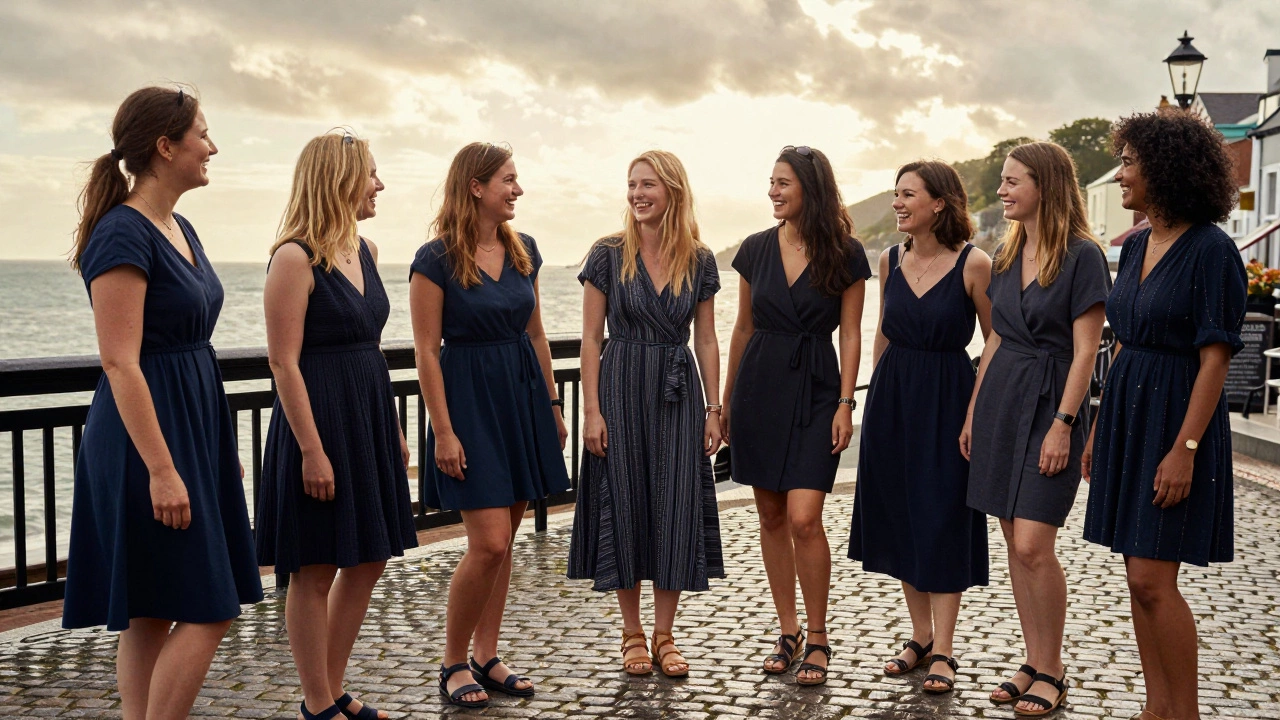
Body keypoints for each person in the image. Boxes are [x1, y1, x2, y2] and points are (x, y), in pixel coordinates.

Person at [62, 86, 263, 719]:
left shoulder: (180, 226)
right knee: (211, 605)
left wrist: (213, 451)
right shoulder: (122, 233)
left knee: (150, 613)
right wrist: (162, 468)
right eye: (202, 134)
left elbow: (192, 349)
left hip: (190, 426)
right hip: (144, 441)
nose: (212, 146)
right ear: (165, 146)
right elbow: (120, 361)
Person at [1083, 109, 1245, 720]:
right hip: (1128, 411)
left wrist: (1186, 448)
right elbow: (1123, 338)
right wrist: (1100, 424)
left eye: (1128, 162)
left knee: (1154, 580)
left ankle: (1186, 713)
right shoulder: (1141, 241)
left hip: (1178, 418)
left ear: (1165, 168)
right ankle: (1156, 710)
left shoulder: (1212, 249)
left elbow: (1216, 359)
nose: (1120, 174)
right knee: (1136, 579)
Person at [255, 132, 418, 720]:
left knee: (369, 556)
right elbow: (282, 360)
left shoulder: (366, 249)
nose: (379, 184)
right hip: (318, 420)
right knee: (316, 566)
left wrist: (393, 427)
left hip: (366, 412)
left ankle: (332, 681)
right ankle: (318, 700)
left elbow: (372, 348)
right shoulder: (294, 256)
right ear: (340, 178)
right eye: (371, 173)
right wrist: (310, 451)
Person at [409, 142, 570, 708]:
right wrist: (444, 430)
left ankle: (487, 654)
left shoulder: (524, 250)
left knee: (507, 543)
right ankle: (453, 661)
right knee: (489, 541)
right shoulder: (435, 259)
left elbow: (537, 335)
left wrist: (553, 407)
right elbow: (426, 352)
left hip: (522, 398)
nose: (517, 189)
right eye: (508, 179)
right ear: (475, 186)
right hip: (470, 403)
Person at [963, 141, 1110, 716]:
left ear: (1045, 186)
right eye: (1002, 179)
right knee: (1010, 538)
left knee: (1032, 542)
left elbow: (1085, 352)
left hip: (1052, 401)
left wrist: (1064, 425)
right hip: (1001, 396)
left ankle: (1053, 669)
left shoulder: (1083, 256)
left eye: (1012, 180)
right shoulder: (1007, 252)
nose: (1001, 190)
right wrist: (975, 411)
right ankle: (1032, 659)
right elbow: (994, 338)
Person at [568, 150, 724, 678]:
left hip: (677, 394)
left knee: (675, 505)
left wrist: (714, 408)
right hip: (621, 386)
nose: (637, 194)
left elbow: (706, 336)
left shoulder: (699, 259)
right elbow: (591, 339)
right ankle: (631, 632)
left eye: (648, 185)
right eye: (632, 184)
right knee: (627, 501)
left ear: (673, 191)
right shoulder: (608, 254)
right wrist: (591, 410)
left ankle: (665, 634)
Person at [722, 145, 871, 686]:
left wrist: (846, 402)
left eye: (783, 182)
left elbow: (852, 332)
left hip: (815, 388)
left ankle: (819, 634)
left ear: (811, 187)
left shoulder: (846, 252)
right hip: (759, 387)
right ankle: (787, 631)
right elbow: (741, 329)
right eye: (770, 182)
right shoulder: (755, 249)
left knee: (806, 518)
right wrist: (723, 404)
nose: (773, 191)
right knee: (770, 517)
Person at [848, 160, 992, 694]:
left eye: (908, 194)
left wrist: (976, 408)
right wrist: (871, 393)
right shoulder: (889, 259)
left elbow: (995, 339)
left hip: (948, 396)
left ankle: (947, 651)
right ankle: (921, 636)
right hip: (893, 398)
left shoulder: (975, 264)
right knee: (905, 513)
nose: (898, 203)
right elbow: (884, 329)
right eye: (895, 193)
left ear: (939, 203)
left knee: (942, 516)